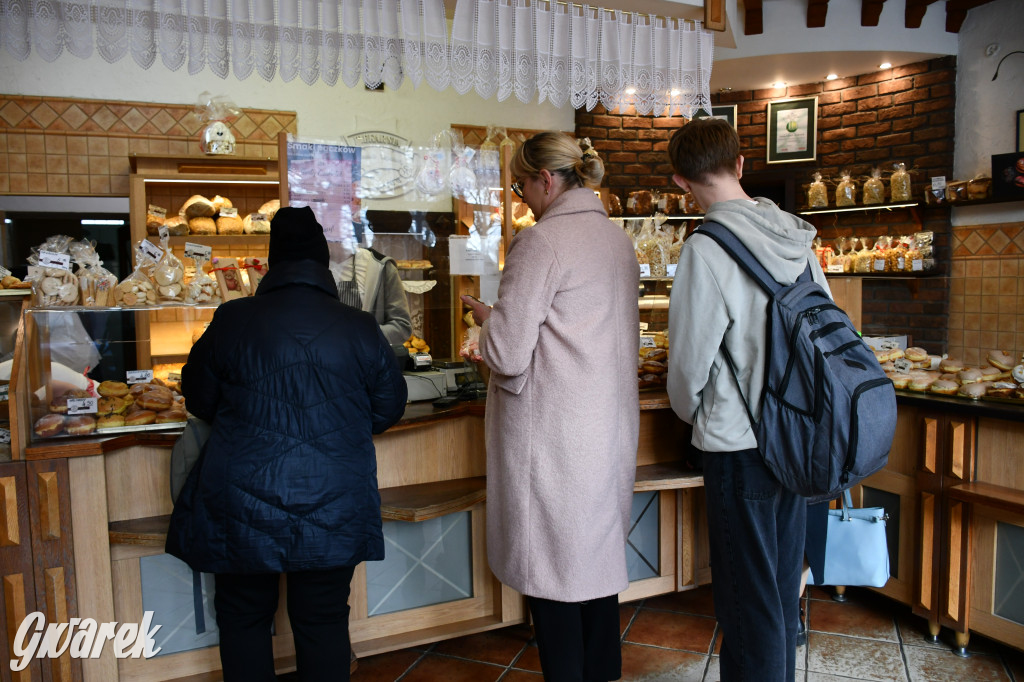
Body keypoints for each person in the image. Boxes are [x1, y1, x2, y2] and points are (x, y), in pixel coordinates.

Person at [165, 206, 408, 682]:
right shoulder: (359, 327)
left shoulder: (233, 319)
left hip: (239, 498)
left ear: (273, 264)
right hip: (334, 497)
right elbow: (387, 409)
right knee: (322, 620)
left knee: (242, 616)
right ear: (321, 265)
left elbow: (199, 398)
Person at [461, 132, 640, 682]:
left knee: (555, 579)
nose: (521, 198)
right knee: (594, 575)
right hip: (605, 427)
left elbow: (509, 355)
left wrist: (486, 323)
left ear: (546, 180)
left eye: (521, 185)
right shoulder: (616, 239)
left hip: (554, 435)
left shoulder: (541, 243)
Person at [664, 117, 831, 682]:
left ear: (682, 183)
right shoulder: (802, 241)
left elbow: (687, 368)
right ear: (740, 166)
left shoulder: (706, 250)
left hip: (739, 447)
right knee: (781, 597)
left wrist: (693, 415)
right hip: (799, 441)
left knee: (745, 604)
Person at [329, 244, 412, 345]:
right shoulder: (310, 265)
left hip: (366, 358)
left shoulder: (380, 266)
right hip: (320, 357)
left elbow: (402, 326)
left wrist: (365, 335)